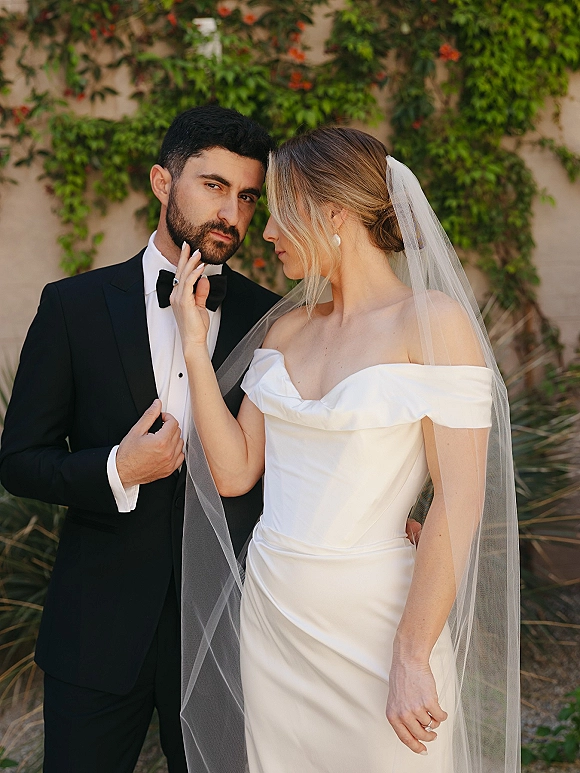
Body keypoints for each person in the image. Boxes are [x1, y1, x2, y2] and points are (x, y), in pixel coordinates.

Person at [173, 127, 520, 772]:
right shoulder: (287, 327)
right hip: (275, 614)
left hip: (379, 621)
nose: (267, 232)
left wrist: (411, 654)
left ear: (332, 214)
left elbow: (460, 498)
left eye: (280, 210)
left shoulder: (433, 324)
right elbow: (234, 472)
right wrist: (195, 349)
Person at [0, 105, 281, 773]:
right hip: (97, 631)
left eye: (246, 196)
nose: (232, 215)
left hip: (226, 632)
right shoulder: (73, 307)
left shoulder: (271, 318)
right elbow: (18, 461)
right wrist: (117, 468)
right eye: (213, 186)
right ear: (163, 180)